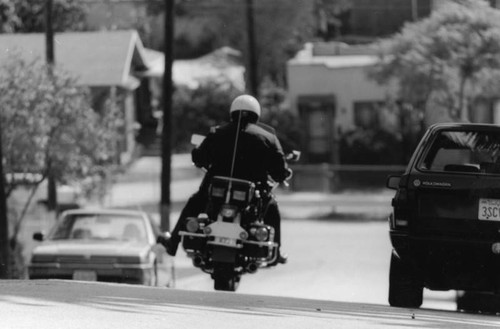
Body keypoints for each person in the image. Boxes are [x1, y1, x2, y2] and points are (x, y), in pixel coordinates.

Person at [160, 94, 291, 265]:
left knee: (194, 202)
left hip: (215, 190)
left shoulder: (217, 132)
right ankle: (275, 252)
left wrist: (198, 156)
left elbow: (200, 157)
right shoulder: (268, 138)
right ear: (256, 114)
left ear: (233, 112)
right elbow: (279, 170)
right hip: (253, 194)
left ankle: (173, 243)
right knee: (272, 209)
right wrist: (283, 174)